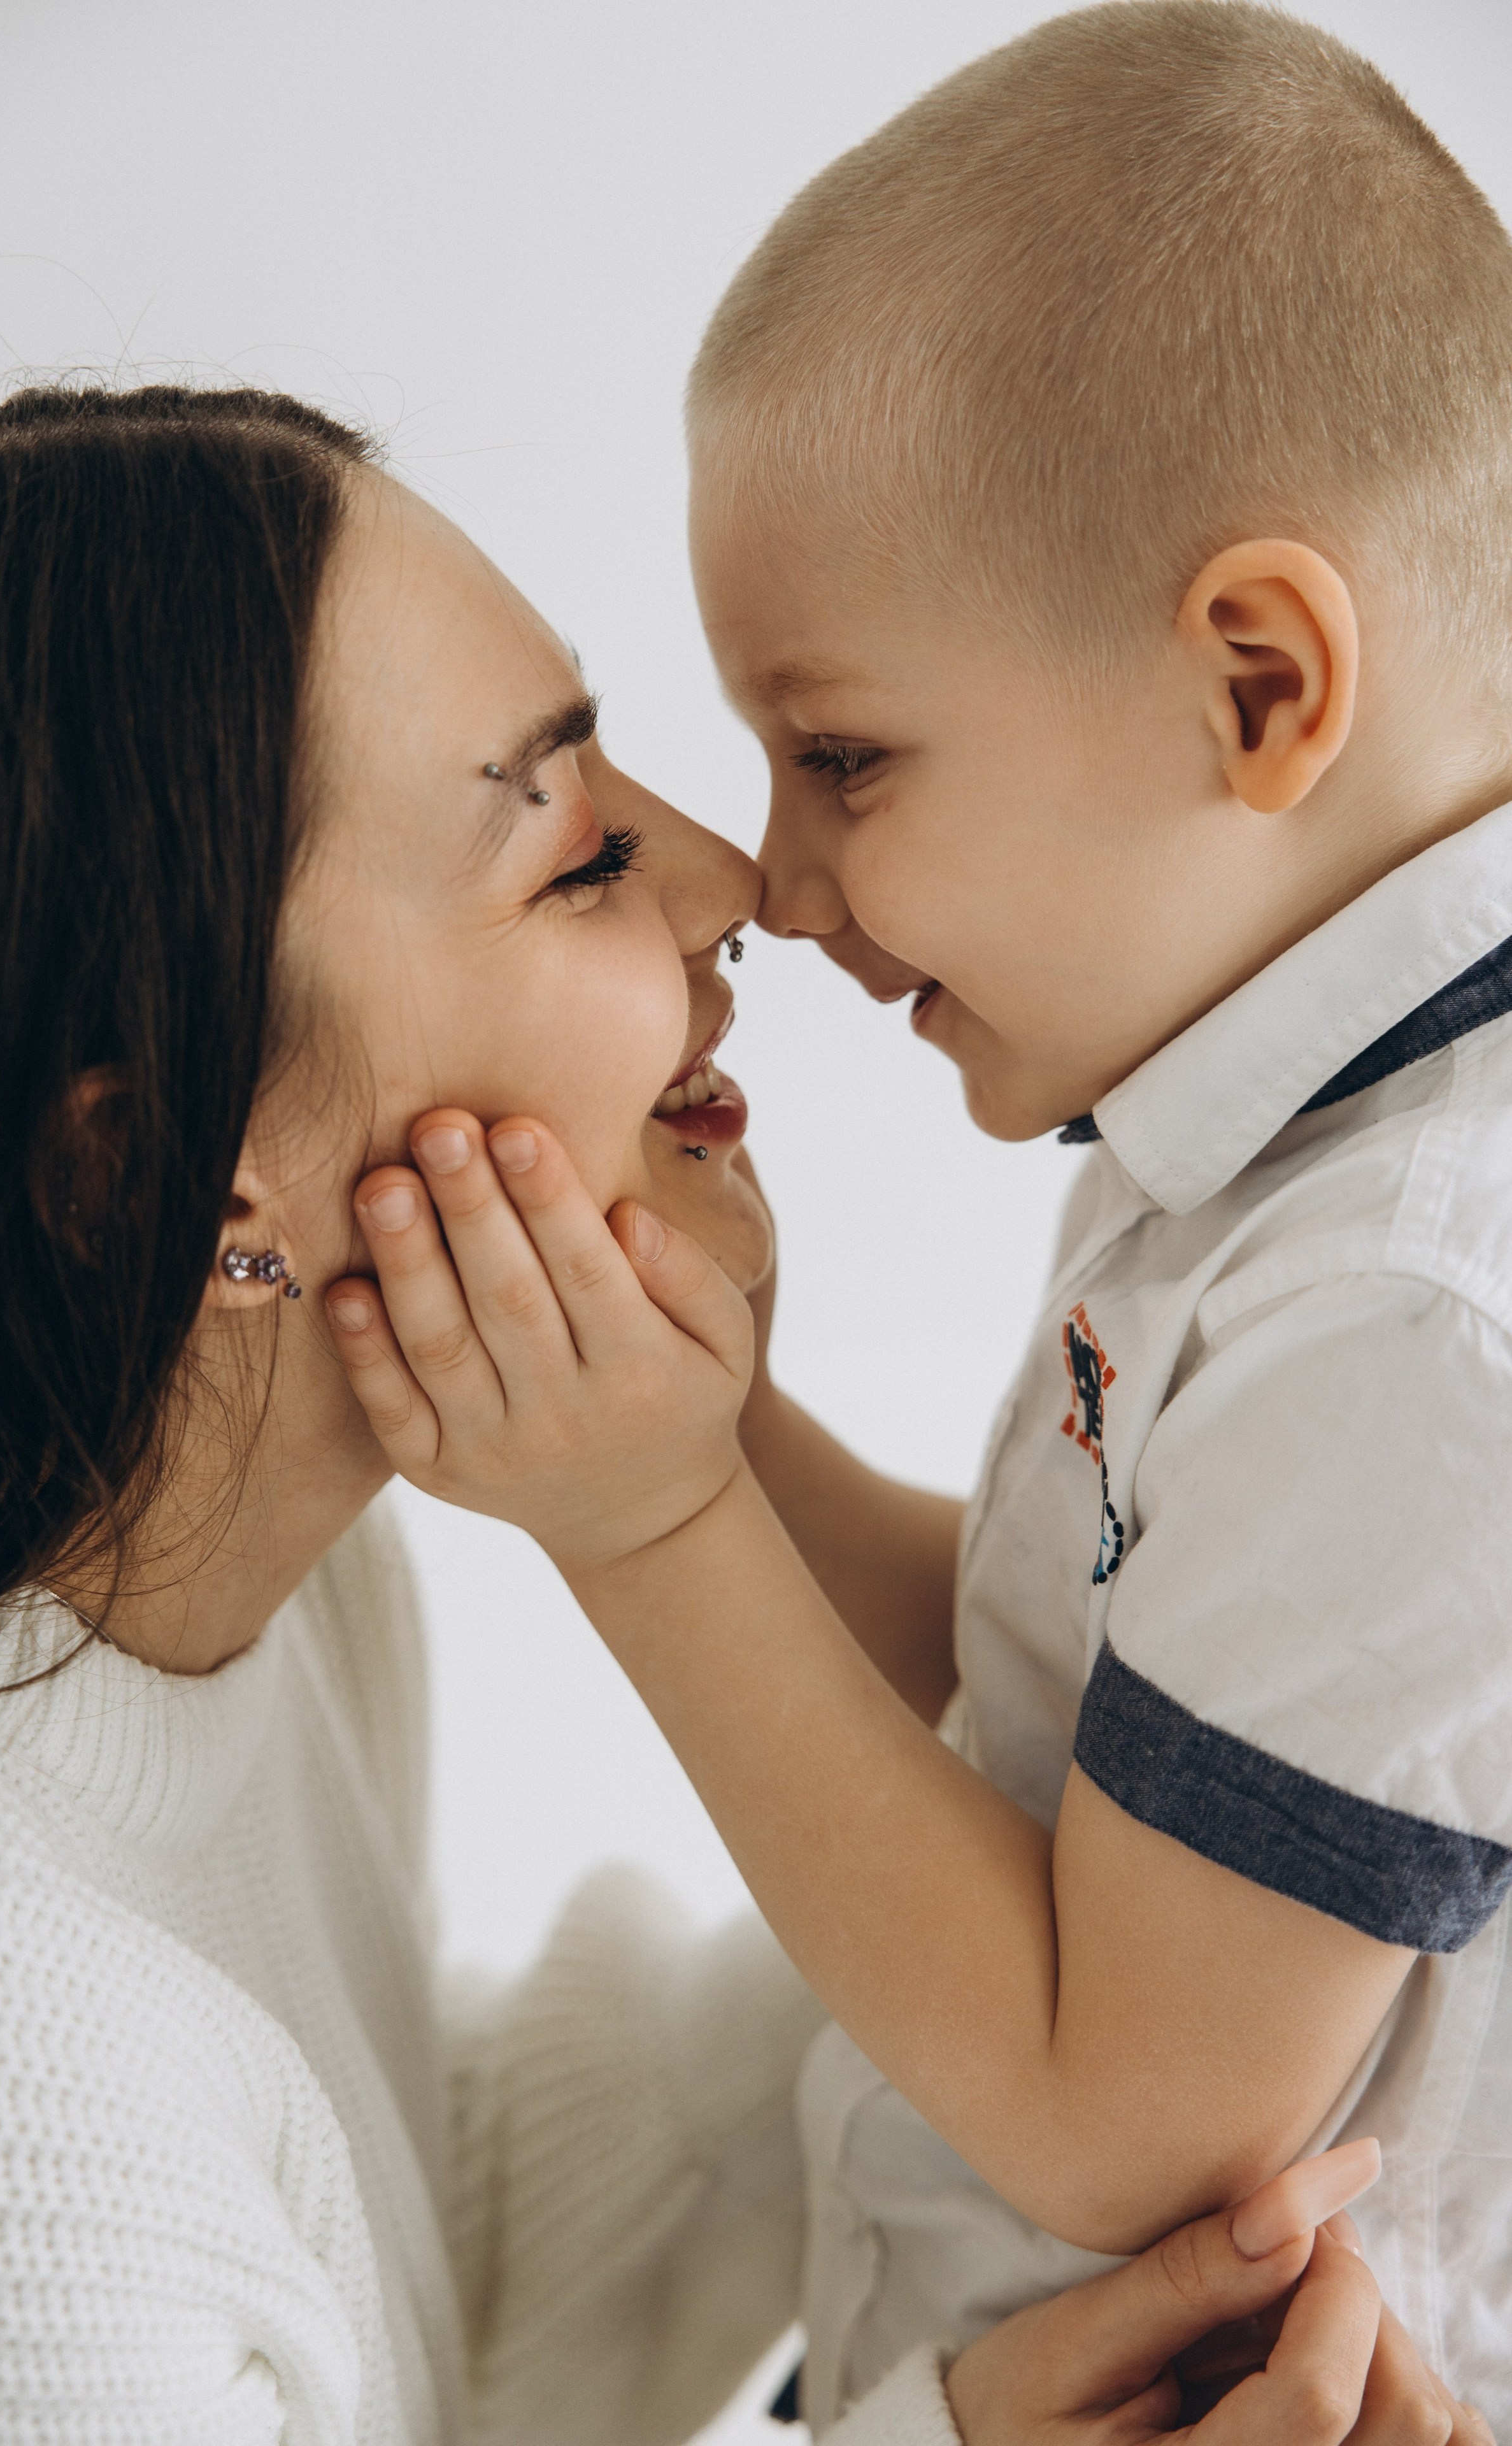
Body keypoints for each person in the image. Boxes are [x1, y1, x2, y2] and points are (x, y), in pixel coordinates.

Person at [0, 383, 1461, 2443]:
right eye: (580, 857)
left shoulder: (261, 1596)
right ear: (159, 1171)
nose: (743, 884)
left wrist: (1176, 1900)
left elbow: (390, 2273)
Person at [322, 1, 1512, 2431]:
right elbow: (1069, 1694)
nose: (777, 877)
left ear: (1259, 685)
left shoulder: (1413, 1299)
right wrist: (716, 1427)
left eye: (844, 755)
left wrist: (654, 1530)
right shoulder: (1279, 1146)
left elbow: (1126, 2123)